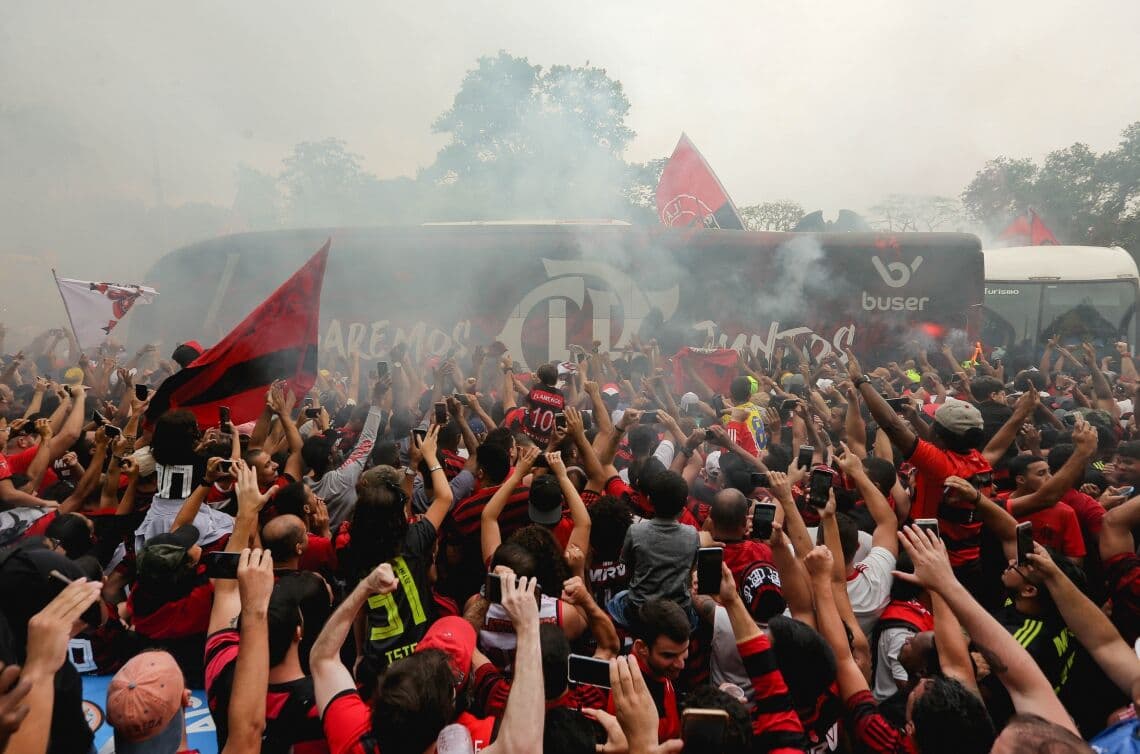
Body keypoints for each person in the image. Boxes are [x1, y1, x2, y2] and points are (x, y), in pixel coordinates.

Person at [606, 470, 699, 629]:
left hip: (639, 609)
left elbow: (628, 567)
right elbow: (691, 571)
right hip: (679, 610)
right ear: (683, 506)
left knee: (616, 600)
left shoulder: (635, 531)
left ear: (649, 500)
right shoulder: (692, 534)